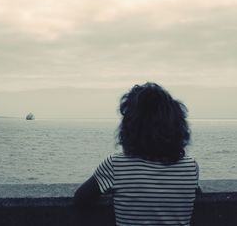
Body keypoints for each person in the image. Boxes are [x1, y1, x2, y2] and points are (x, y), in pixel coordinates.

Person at [74, 82, 199, 226]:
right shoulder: (190, 167)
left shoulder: (116, 165)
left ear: (130, 127)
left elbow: (80, 199)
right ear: (176, 124)